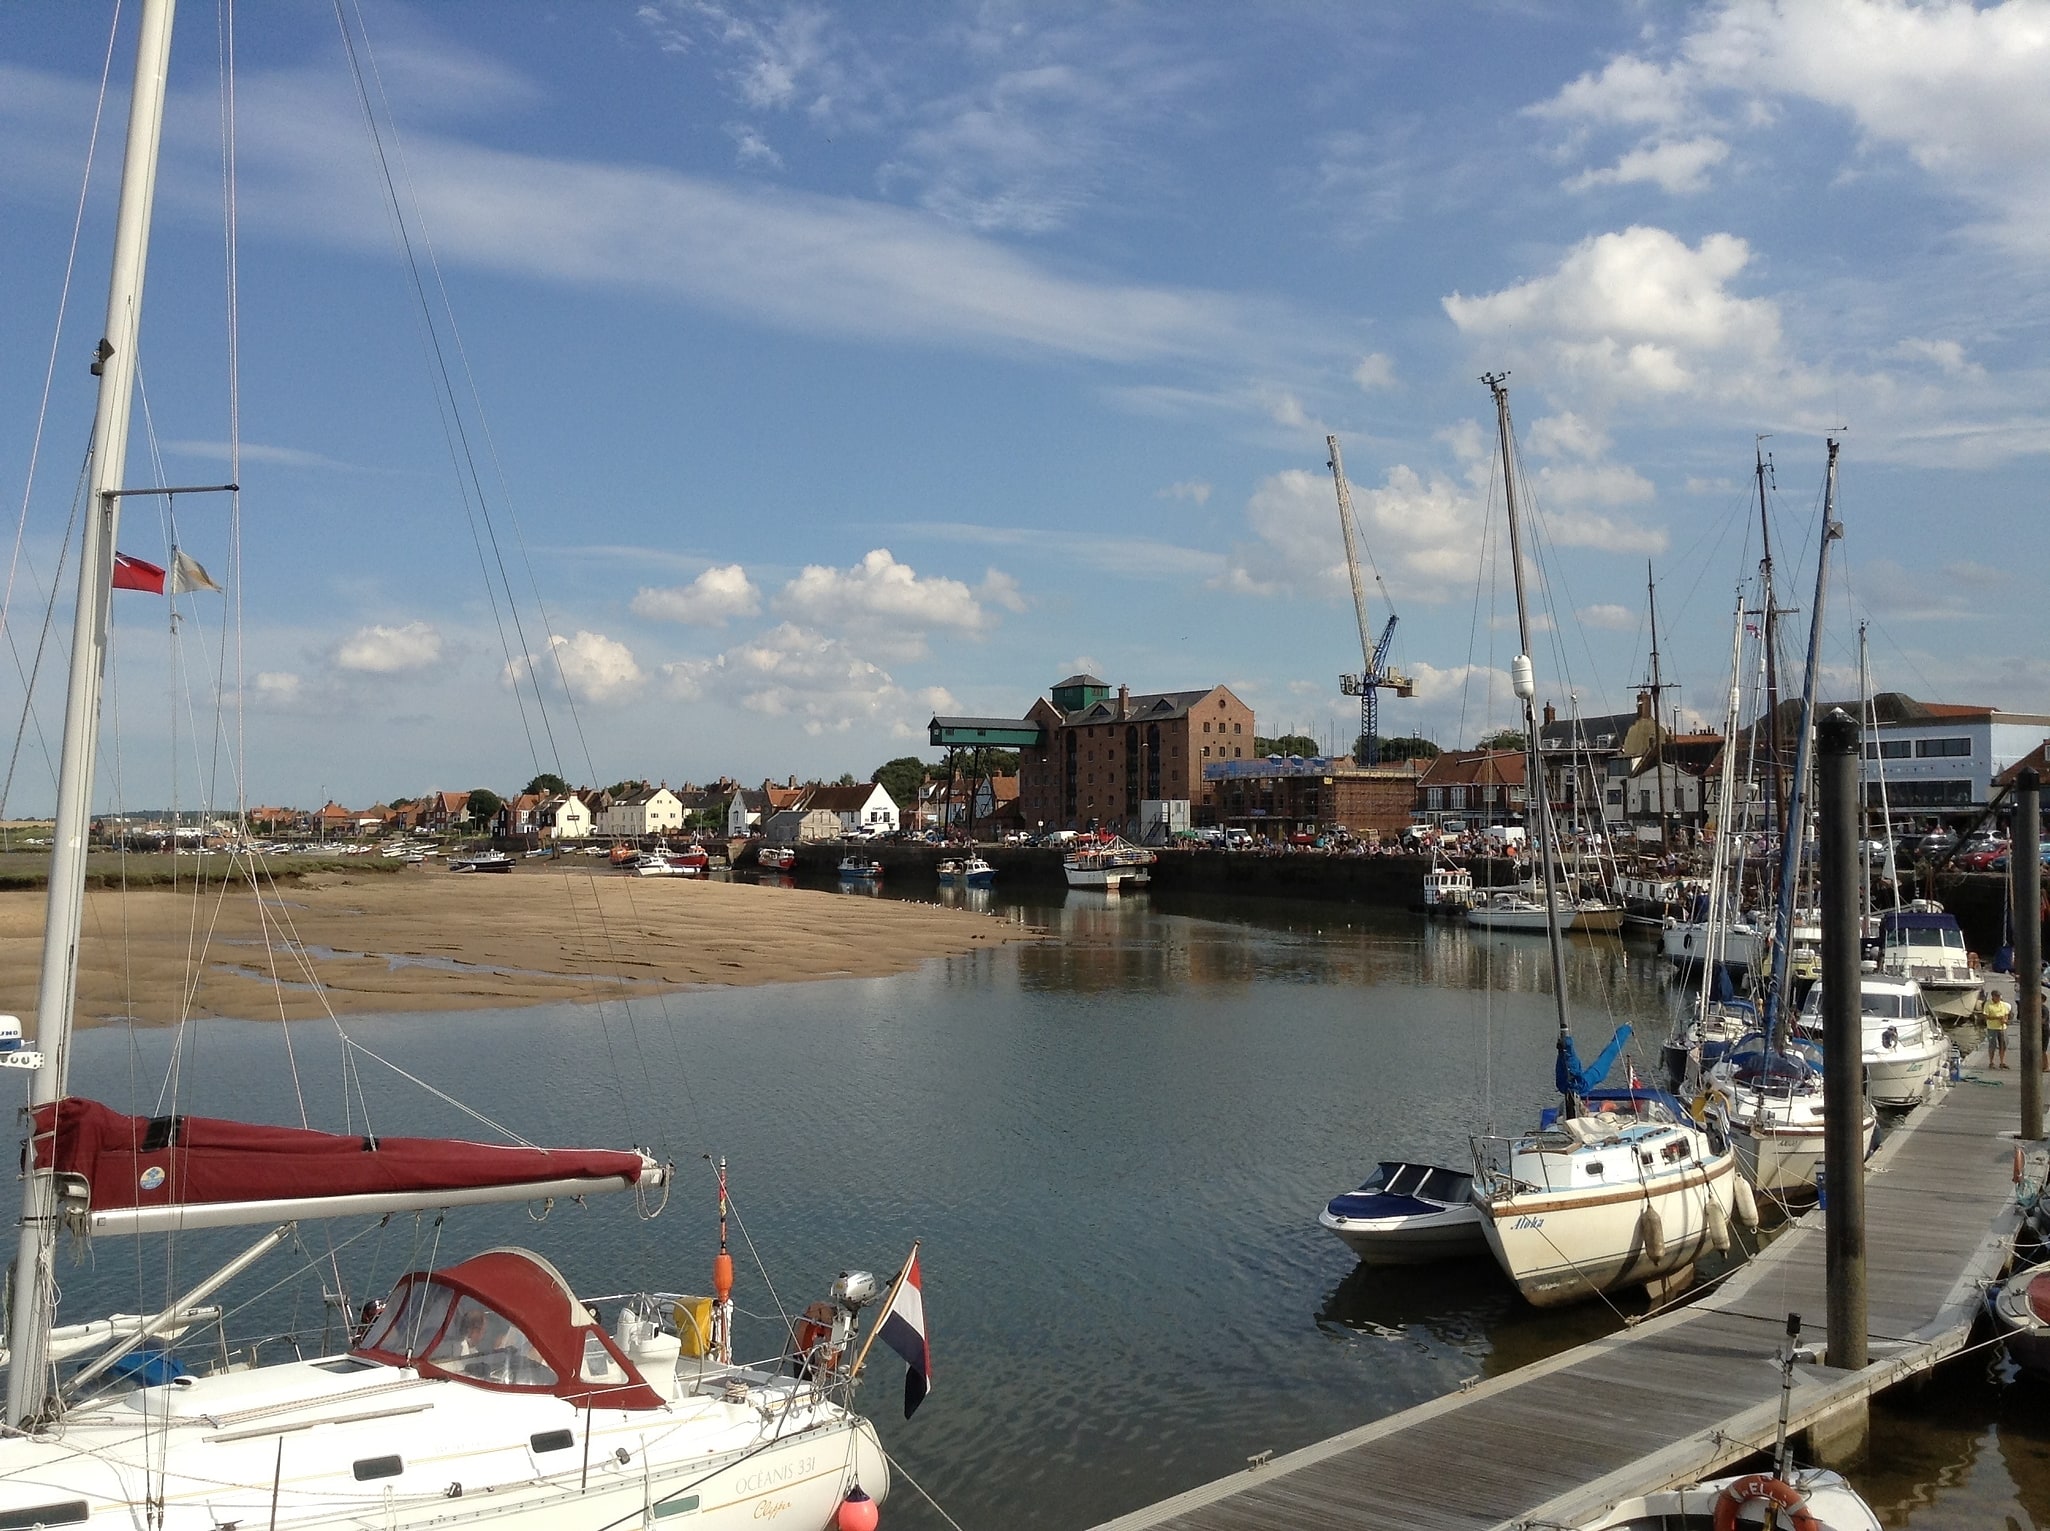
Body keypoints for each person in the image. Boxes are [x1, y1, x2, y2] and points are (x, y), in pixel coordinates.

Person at [1980, 987, 2012, 1068]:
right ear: (1993, 996)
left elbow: (2006, 1014)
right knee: (1992, 1045)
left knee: (2003, 1044)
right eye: (1997, 996)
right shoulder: (1988, 1004)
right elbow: (1985, 1016)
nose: (1998, 998)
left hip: (2002, 1027)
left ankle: (2002, 1062)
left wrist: (2005, 1020)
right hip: (1992, 1027)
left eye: (1999, 997)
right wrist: (1997, 1018)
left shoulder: (2003, 1004)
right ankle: (1991, 1062)